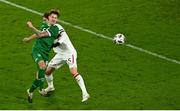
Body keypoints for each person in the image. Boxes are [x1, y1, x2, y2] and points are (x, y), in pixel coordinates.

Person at [23, 10, 62, 103]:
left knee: (40, 76)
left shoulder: (55, 29)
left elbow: (40, 34)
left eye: (56, 18)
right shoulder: (44, 25)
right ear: (48, 18)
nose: (54, 19)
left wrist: (31, 26)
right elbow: (38, 34)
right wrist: (29, 39)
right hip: (37, 50)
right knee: (42, 67)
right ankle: (40, 89)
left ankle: (31, 91)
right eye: (52, 17)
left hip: (45, 53)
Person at [45, 24, 90, 102]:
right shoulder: (49, 30)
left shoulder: (62, 34)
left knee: (73, 72)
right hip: (60, 55)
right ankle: (50, 87)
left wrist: (47, 45)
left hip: (69, 53)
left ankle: (85, 93)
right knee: (47, 72)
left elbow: (56, 44)